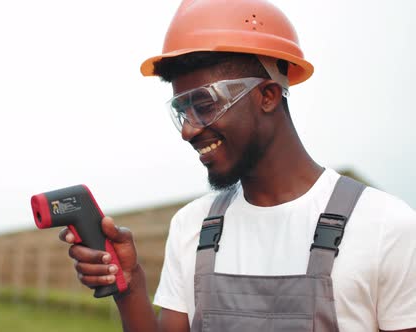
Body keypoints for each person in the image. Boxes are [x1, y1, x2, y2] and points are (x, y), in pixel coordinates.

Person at [59, 0, 416, 331]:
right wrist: (130, 284)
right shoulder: (193, 226)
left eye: (204, 104)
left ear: (267, 96)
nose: (188, 130)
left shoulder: (385, 227)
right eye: (181, 110)